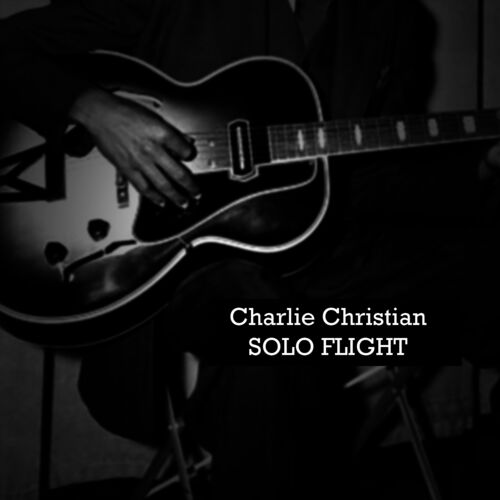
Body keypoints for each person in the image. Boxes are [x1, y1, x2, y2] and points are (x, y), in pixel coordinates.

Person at [1, 1, 499, 498]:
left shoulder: (393, 17)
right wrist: (95, 110)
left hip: (325, 267)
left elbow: (369, 180)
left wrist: (479, 167)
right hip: (184, 272)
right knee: (266, 335)